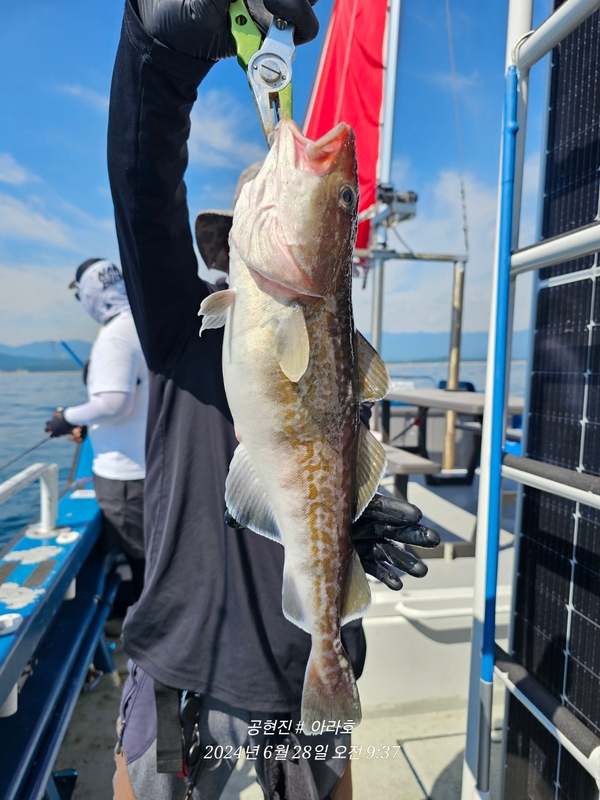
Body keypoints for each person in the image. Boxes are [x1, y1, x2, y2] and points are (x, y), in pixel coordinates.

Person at [106, 2, 440, 798]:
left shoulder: (335, 349)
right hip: (181, 662)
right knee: (147, 781)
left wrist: (357, 520)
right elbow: (142, 183)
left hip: (300, 669)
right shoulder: (178, 324)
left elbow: (326, 460)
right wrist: (155, 46)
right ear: (223, 248)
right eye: (235, 223)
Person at [45, 259, 148, 602]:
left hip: (125, 479)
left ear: (91, 295)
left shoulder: (114, 336)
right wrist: (89, 427)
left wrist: (66, 417)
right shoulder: (143, 326)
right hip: (151, 466)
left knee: (142, 562)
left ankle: (147, 626)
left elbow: (114, 403)